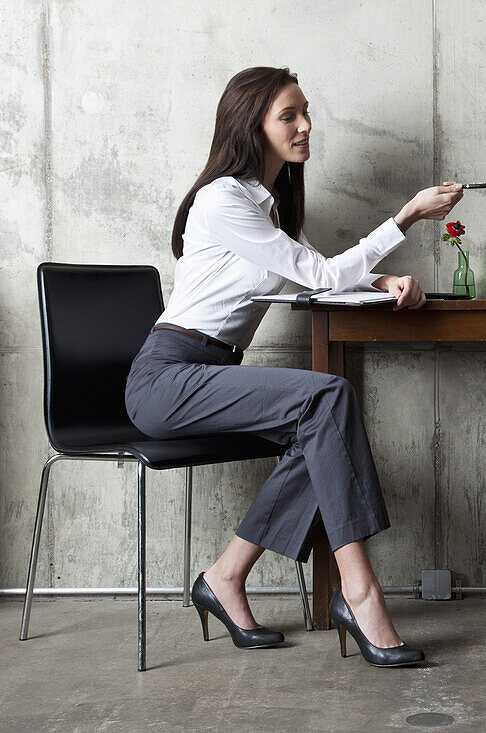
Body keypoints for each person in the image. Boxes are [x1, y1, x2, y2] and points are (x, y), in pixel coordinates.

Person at [124, 66, 463, 668]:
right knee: (328, 399)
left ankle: (226, 577)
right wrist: (406, 215)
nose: (306, 125)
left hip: (213, 371)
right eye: (290, 115)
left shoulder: (269, 209)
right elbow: (325, 275)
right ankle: (360, 594)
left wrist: (383, 279)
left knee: (321, 429)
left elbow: (318, 272)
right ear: (250, 125)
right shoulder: (223, 199)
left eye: (307, 112)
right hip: (168, 378)